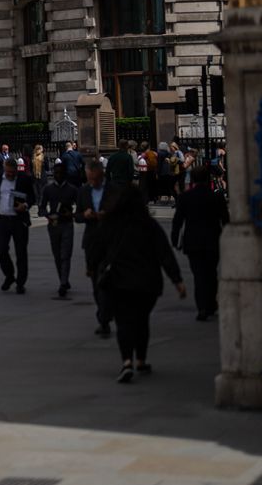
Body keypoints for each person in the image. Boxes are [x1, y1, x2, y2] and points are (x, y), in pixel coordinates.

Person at [88, 183, 186, 382]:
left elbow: (96, 247)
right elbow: (164, 253)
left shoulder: (110, 223)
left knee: (124, 322)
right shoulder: (149, 225)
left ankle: (126, 362)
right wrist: (177, 280)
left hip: (119, 281)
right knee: (141, 321)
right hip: (146, 282)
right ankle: (141, 359)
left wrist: (91, 267)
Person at [171, 166, 226, 321]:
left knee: (198, 274)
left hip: (193, 241)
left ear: (193, 180)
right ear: (208, 179)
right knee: (211, 272)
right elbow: (225, 219)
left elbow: (177, 221)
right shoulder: (217, 197)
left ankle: (202, 306)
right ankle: (211, 303)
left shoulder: (185, 198)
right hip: (212, 239)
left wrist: (174, 239)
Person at [77, 159, 114, 337]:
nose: (93, 182)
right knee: (96, 283)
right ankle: (104, 316)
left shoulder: (113, 190)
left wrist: (109, 214)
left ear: (102, 175)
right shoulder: (84, 191)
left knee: (107, 281)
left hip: (111, 242)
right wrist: (84, 214)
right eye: (90, 179)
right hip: (92, 243)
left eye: (96, 179)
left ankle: (105, 317)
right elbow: (77, 215)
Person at [0, 157, 35, 294]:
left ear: (16, 170)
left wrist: (25, 205)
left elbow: (32, 197)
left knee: (21, 252)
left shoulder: (24, 179)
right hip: (3, 220)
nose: (10, 175)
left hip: (19, 220)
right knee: (1, 250)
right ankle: (9, 276)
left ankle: (21, 283)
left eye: (12, 172)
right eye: (7, 172)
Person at [38, 164, 80, 298]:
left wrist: (72, 214)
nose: (59, 175)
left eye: (61, 173)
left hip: (67, 224)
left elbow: (80, 208)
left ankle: (63, 282)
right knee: (57, 255)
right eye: (56, 173)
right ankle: (63, 279)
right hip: (54, 224)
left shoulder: (72, 189)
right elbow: (42, 208)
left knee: (65, 254)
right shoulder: (48, 189)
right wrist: (48, 215)